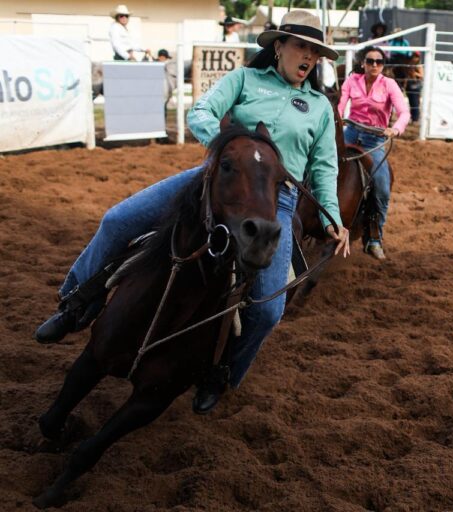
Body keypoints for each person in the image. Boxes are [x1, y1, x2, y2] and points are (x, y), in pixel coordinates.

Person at [35, 10, 350, 413]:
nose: (309, 58)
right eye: (302, 47)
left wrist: (331, 219)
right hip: (214, 180)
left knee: (269, 310)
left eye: (315, 52)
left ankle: (222, 373)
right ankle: (77, 302)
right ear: (279, 47)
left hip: (277, 199)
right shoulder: (244, 80)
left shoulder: (320, 107)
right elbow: (199, 112)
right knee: (117, 219)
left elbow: (324, 167)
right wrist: (227, 146)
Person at [337, 46, 410, 261]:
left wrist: (396, 128)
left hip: (375, 140)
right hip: (350, 133)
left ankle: (374, 238)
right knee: (319, 164)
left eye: (379, 61)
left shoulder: (389, 85)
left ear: (383, 65)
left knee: (382, 187)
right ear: (363, 63)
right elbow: (341, 105)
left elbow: (404, 112)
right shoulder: (352, 81)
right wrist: (339, 117)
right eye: (370, 61)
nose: (375, 65)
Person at [404, 51, 424, 122]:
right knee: (411, 102)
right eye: (413, 56)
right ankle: (413, 117)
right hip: (409, 85)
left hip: (416, 85)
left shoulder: (418, 65)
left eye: (416, 56)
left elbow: (422, 75)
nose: (414, 58)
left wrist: (415, 73)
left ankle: (415, 118)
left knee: (415, 102)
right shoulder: (410, 64)